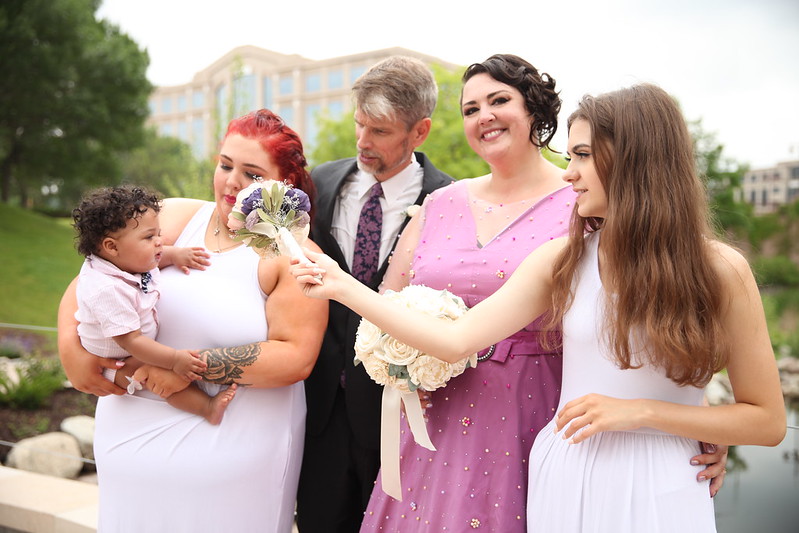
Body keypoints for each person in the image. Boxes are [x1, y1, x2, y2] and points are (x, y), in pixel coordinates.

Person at [293, 83, 786, 532]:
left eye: (584, 156)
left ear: (637, 158)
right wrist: (341, 286)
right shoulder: (563, 259)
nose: (568, 173)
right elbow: (456, 339)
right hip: (565, 470)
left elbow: (766, 420)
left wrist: (644, 414)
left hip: (664, 479)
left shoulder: (723, 270)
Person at [58, 109, 328, 532]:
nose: (231, 182)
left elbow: (295, 357)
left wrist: (168, 365)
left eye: (252, 174)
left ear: (284, 185)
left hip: (232, 449)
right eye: (225, 165)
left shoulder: (295, 255)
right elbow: (91, 277)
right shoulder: (176, 217)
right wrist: (69, 349)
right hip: (130, 439)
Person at [297, 55, 453, 533]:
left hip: (400, 422)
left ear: (420, 131)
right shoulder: (318, 184)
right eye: (359, 125)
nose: (363, 142)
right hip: (315, 413)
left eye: (380, 131)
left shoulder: (450, 204)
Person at [72, 184, 236, 425]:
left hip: (135, 345)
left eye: (158, 233)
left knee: (161, 369)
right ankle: (207, 408)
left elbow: (156, 260)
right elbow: (133, 341)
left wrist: (176, 255)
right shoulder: (106, 289)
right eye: (149, 237)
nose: (160, 241)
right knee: (158, 380)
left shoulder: (130, 259)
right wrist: (174, 360)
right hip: (118, 359)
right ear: (111, 246)